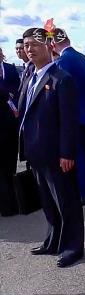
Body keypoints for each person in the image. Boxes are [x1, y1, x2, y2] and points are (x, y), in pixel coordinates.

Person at [18, 27, 84, 267]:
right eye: (26, 45)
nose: (29, 49)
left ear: (49, 46)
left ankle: (73, 247)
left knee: (67, 201)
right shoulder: (30, 75)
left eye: (34, 44)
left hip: (57, 154)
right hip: (36, 152)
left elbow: (69, 120)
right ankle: (53, 240)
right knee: (47, 201)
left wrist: (67, 152)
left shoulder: (61, 79)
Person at [52, 28, 85, 205]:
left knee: (78, 156)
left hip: (73, 117)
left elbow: (61, 90)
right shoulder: (83, 58)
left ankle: (84, 194)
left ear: (53, 44)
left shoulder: (63, 61)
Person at [0, 47, 21, 216]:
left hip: (10, 121)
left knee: (10, 162)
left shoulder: (10, 68)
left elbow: (17, 87)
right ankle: (6, 205)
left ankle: (13, 199)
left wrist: (9, 94)